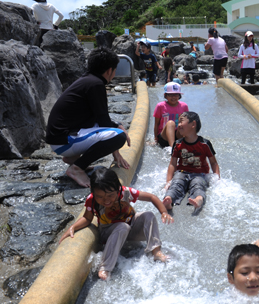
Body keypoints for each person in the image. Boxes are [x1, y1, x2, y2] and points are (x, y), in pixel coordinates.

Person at [58, 168, 173, 281]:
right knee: (122, 226)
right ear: (93, 192)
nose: (106, 200)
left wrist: (163, 212)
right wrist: (72, 227)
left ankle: (156, 251)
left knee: (148, 215)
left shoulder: (125, 192)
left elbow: (151, 197)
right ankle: (105, 267)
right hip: (109, 233)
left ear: (118, 190)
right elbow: (87, 219)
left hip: (130, 229)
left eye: (110, 195)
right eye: (100, 197)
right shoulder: (91, 200)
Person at [46, 47, 130, 188]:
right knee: (120, 135)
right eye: (114, 70)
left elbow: (100, 121)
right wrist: (119, 129)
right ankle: (77, 168)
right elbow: (104, 121)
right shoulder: (96, 84)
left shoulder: (88, 80)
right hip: (64, 141)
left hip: (59, 138)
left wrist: (115, 151)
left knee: (115, 130)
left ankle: (74, 159)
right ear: (110, 70)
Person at [163, 112, 220, 212]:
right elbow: (172, 164)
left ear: (193, 124)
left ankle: (198, 199)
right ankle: (169, 199)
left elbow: (214, 163)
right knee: (176, 184)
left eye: (181, 121)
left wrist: (216, 179)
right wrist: (168, 181)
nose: (178, 124)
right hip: (181, 172)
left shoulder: (204, 144)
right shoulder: (178, 144)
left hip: (199, 174)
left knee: (198, 185)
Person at [153, 82, 189, 148]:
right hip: (164, 137)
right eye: (170, 95)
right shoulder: (160, 106)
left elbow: (187, 123)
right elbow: (156, 124)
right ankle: (173, 148)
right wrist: (155, 139)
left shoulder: (184, 106)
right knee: (170, 123)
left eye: (176, 95)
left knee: (184, 123)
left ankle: (185, 144)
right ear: (165, 95)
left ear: (179, 95)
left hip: (178, 135)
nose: (173, 97)